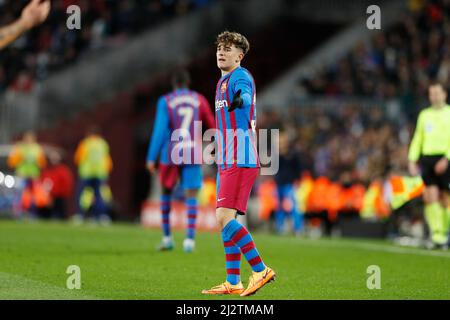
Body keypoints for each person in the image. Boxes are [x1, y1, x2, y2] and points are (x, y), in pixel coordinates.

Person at [202, 31, 275, 297]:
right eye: (219, 47)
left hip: (240, 155)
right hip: (228, 157)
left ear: (240, 55)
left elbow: (245, 95)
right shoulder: (221, 82)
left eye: (228, 49)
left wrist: (240, 100)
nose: (221, 52)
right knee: (226, 220)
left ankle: (260, 269)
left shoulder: (240, 76)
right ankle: (233, 282)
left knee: (223, 218)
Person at [146, 69, 214, 253]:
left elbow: (160, 130)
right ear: (188, 83)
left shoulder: (166, 101)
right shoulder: (199, 99)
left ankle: (167, 238)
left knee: (166, 192)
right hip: (192, 150)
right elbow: (212, 124)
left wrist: (151, 157)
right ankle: (189, 241)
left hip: (171, 151)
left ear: (173, 84)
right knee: (191, 195)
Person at [408, 82, 450, 248]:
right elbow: (418, 138)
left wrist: (446, 159)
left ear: (444, 94)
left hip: (445, 158)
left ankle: (446, 232)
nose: (434, 96)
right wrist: (412, 160)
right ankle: (437, 235)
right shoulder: (424, 115)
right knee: (430, 196)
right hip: (427, 158)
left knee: (446, 197)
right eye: (431, 93)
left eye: (437, 93)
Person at [74, 127, 113, 224]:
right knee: (100, 195)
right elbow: (107, 159)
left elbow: (78, 158)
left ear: (89, 134)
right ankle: (100, 216)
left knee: (83, 194)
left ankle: (81, 215)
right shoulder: (103, 144)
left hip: (86, 173)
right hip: (100, 173)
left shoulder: (85, 143)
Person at [7, 131, 46, 217]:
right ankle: (18, 213)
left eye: (31, 138)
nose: (29, 140)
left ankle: (32, 213)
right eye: (27, 138)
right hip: (21, 174)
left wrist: (37, 163)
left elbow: (42, 162)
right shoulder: (19, 148)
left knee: (34, 195)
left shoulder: (37, 148)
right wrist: (20, 159)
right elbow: (11, 161)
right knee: (19, 194)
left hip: (33, 175)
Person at [274, 131, 304, 235]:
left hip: (290, 184)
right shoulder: (277, 155)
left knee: (293, 206)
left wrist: (298, 181)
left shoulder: (292, 154)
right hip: (279, 184)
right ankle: (280, 228)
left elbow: (298, 169)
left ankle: (298, 228)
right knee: (279, 207)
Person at [40, 149, 74, 219]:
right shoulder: (46, 171)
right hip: (48, 196)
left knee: (61, 214)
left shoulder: (63, 170)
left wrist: (62, 193)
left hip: (59, 196)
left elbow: (66, 184)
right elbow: (43, 183)